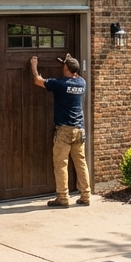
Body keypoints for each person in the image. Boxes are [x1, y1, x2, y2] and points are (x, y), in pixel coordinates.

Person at [31, 54, 90, 207]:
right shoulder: (82, 82)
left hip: (64, 130)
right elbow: (73, 71)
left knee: (61, 164)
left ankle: (63, 198)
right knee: (81, 163)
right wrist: (69, 60)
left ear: (65, 68)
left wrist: (33, 65)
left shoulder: (60, 84)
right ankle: (86, 195)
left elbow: (38, 80)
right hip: (79, 129)